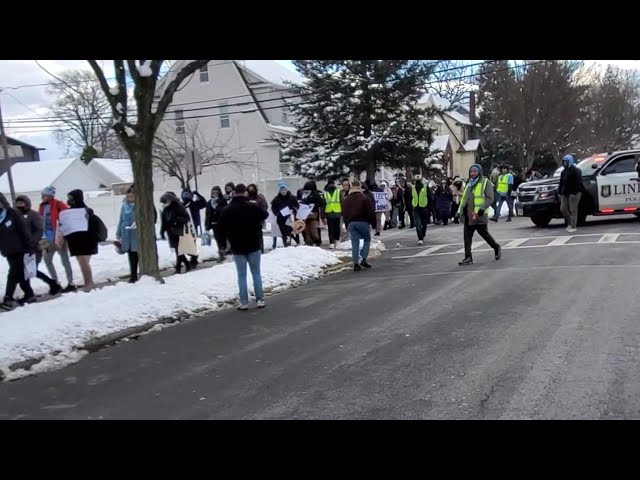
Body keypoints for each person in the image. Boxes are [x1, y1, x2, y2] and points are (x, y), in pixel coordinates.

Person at [218, 183, 269, 310]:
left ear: (234, 193)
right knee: (256, 273)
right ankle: (260, 299)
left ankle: (244, 302)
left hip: (237, 246)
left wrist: (223, 244)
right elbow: (265, 215)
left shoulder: (227, 210)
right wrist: (257, 225)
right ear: (245, 192)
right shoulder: (252, 207)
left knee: (241, 275)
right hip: (253, 243)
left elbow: (221, 229)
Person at [14, 195, 61, 295]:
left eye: (21, 203)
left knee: (30, 269)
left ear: (27, 204)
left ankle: (50, 284)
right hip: (20, 248)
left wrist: (31, 241)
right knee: (26, 270)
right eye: (17, 204)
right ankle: (50, 284)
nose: (19, 206)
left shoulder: (33, 215)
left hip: (33, 247)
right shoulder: (15, 216)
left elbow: (39, 230)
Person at [456, 164, 502, 266]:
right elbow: (464, 199)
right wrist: (459, 212)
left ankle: (496, 247)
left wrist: (483, 208)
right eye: (471, 171)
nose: (472, 173)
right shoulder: (468, 184)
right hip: (469, 214)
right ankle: (468, 257)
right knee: (467, 236)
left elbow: (490, 198)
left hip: (479, 214)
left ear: (479, 172)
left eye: (475, 171)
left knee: (484, 234)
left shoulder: (486, 182)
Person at [0, 193, 36, 310]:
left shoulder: (12, 213)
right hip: (8, 250)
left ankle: (8, 297)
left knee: (14, 273)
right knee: (19, 273)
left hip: (20, 248)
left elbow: (22, 230)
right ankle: (29, 294)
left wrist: (29, 245)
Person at [38, 186, 76, 292]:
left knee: (65, 260)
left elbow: (68, 219)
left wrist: (65, 233)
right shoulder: (41, 207)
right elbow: (40, 221)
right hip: (47, 239)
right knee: (47, 260)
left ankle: (70, 282)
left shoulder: (59, 204)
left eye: (44, 195)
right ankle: (54, 282)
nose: (42, 197)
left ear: (50, 195)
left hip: (59, 237)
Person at [62, 190, 100, 292]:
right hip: (75, 241)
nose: (69, 200)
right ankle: (88, 281)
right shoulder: (68, 212)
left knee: (84, 262)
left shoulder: (86, 211)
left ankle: (89, 283)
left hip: (86, 240)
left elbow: (92, 225)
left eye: (71, 198)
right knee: (82, 262)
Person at [342, 179, 375, 272]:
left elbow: (344, 212)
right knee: (367, 240)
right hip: (363, 222)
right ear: (359, 187)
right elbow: (370, 211)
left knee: (355, 243)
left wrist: (347, 223)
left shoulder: (347, 199)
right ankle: (363, 259)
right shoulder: (364, 197)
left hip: (351, 223)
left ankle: (355, 263)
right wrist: (373, 223)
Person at [160, 191, 192, 273]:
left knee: (179, 249)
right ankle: (187, 263)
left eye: (165, 202)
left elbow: (186, 218)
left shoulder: (178, 207)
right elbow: (163, 222)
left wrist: (177, 220)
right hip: (170, 232)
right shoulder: (165, 210)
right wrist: (162, 231)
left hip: (179, 230)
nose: (164, 204)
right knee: (178, 250)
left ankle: (178, 268)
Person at [116, 187, 140, 283]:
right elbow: (121, 219)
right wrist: (119, 233)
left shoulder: (138, 206)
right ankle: (133, 275)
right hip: (126, 233)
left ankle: (141, 274)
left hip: (136, 233)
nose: (130, 199)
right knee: (131, 255)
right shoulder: (124, 206)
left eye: (132, 197)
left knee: (137, 253)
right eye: (128, 197)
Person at [558, 154, 585, 233]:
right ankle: (569, 222)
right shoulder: (563, 172)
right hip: (565, 193)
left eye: (566, 161)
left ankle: (573, 226)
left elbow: (579, 182)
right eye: (563, 162)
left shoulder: (577, 171)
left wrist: (575, 193)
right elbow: (561, 183)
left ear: (570, 161)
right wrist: (559, 192)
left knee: (573, 209)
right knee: (563, 209)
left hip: (575, 193)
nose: (564, 163)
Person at [271, 182, 299, 247]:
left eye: (284, 190)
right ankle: (286, 244)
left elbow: (297, 205)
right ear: (280, 191)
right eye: (281, 190)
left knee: (288, 231)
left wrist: (294, 210)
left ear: (287, 190)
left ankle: (288, 244)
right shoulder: (276, 199)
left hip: (290, 217)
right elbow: (273, 207)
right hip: (281, 218)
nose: (283, 192)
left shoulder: (292, 197)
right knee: (283, 232)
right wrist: (276, 213)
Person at [204, 186, 228, 260]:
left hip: (222, 223)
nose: (214, 194)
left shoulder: (222, 201)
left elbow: (224, 210)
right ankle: (221, 254)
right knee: (218, 239)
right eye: (213, 193)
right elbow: (208, 214)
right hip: (213, 223)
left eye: (216, 192)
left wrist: (217, 206)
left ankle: (224, 253)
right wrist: (207, 225)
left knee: (223, 238)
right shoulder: (209, 202)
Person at [298, 180, 325, 246]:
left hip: (313, 214)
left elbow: (322, 203)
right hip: (305, 214)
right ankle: (308, 241)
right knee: (306, 230)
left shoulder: (316, 194)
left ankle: (317, 240)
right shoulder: (302, 193)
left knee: (313, 229)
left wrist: (314, 204)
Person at [247, 184, 269, 253]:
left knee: (258, 236)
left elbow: (264, 207)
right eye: (249, 189)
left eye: (252, 189)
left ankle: (260, 249)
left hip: (257, 221)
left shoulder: (259, 198)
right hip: (248, 221)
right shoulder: (246, 198)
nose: (251, 191)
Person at [411, 175, 431, 246]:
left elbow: (430, 197)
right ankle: (420, 238)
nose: (417, 182)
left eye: (418, 180)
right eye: (416, 180)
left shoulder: (425, 187)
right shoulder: (413, 188)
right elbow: (411, 197)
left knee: (424, 224)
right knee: (418, 224)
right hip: (416, 208)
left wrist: (429, 208)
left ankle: (422, 234)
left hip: (424, 207)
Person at [323, 178, 342, 249]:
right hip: (330, 212)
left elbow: (341, 201)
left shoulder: (337, 191)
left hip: (335, 212)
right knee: (331, 228)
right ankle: (333, 241)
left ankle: (336, 241)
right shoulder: (326, 193)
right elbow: (323, 204)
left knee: (335, 228)